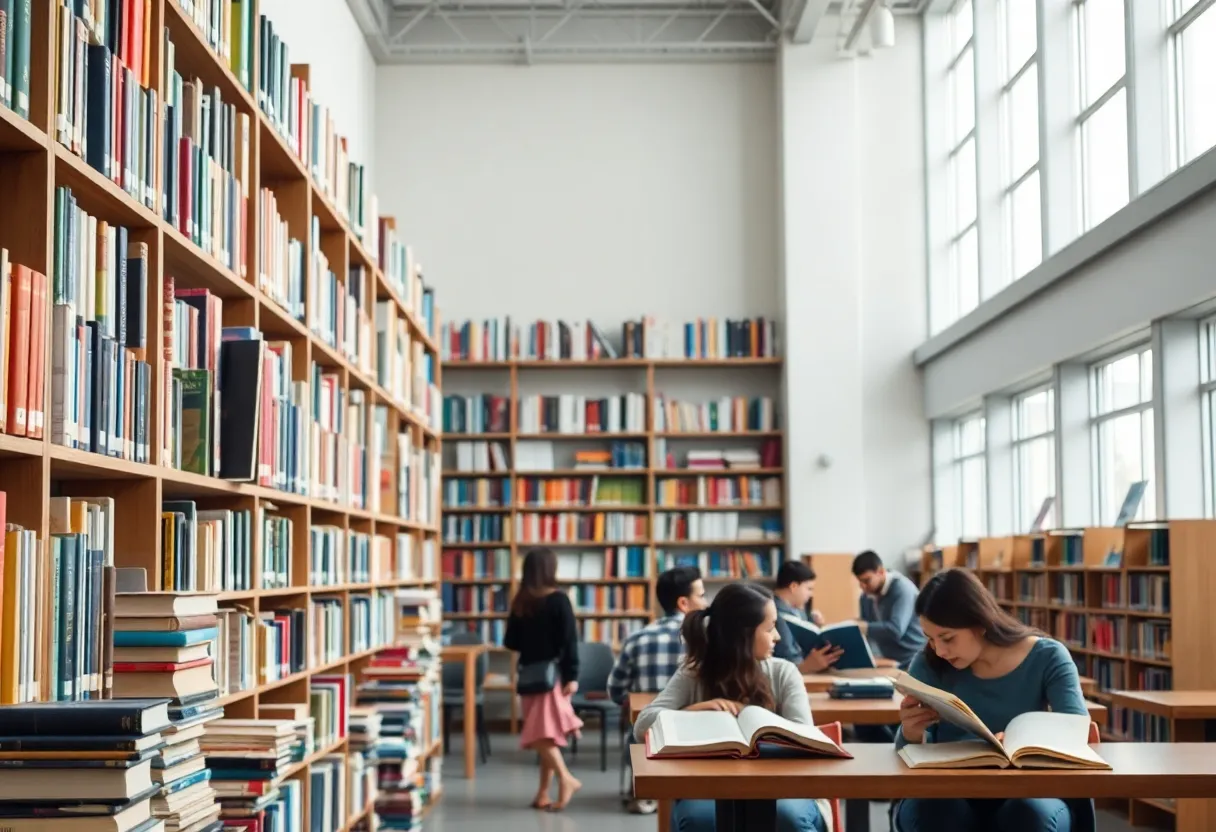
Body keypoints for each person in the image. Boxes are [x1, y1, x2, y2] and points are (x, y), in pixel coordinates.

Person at [894, 568, 1092, 832]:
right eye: (931, 640)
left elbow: (1074, 734)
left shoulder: (1048, 657)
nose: (939, 650)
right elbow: (905, 756)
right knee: (936, 811)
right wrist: (910, 732)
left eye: (948, 638)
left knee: (1028, 815)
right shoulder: (929, 665)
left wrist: (1024, 744)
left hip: (1029, 789)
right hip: (949, 789)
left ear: (981, 623)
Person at [634, 583, 831, 832]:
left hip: (784, 784)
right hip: (707, 784)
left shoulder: (784, 673)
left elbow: (807, 741)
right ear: (743, 635)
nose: (778, 637)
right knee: (699, 819)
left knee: (787, 817)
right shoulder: (695, 673)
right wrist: (695, 711)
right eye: (770, 629)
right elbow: (642, 725)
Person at [607, 565, 708, 815]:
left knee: (637, 730)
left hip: (650, 734)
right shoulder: (709, 638)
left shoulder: (637, 638)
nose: (706, 603)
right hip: (700, 732)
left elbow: (615, 690)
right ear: (684, 603)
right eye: (702, 595)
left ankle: (646, 791)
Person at [503, 548, 584, 812]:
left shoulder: (521, 601)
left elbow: (510, 642)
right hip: (555, 677)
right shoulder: (560, 600)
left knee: (543, 734)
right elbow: (571, 642)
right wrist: (572, 675)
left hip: (529, 676)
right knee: (544, 735)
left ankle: (545, 791)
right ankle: (564, 779)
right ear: (551, 569)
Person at [852, 550, 926, 668]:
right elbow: (868, 634)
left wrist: (864, 627)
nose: (863, 587)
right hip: (888, 661)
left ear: (880, 572)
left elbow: (895, 630)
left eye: (867, 580)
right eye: (860, 582)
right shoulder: (865, 597)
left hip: (914, 660)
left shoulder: (902, 590)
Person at [772, 560, 845, 673]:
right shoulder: (774, 614)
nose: (811, 594)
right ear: (794, 586)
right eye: (809, 589)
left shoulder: (799, 610)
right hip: (795, 673)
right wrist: (807, 666)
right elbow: (788, 658)